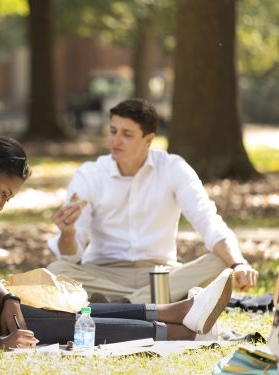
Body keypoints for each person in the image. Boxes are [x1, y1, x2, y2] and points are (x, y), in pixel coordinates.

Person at [0, 136, 234, 350]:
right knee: (68, 322)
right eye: (4, 194)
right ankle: (186, 334)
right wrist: (0, 342)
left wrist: (10, 298)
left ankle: (176, 311)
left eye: (8, 199)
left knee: (70, 308)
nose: (1, 205)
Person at [47, 98, 259, 304]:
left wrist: (238, 263)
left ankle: (124, 304)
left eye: (126, 134)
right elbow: (70, 258)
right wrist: (67, 234)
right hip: (104, 273)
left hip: (161, 273)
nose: (115, 140)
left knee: (223, 263)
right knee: (56, 272)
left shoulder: (172, 168)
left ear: (148, 139)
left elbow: (208, 220)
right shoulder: (89, 174)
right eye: (113, 131)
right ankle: (151, 301)